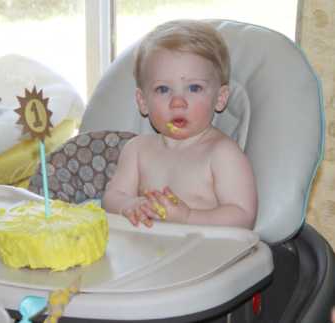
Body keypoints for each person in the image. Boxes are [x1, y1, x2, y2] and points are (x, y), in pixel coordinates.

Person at [102, 20, 257, 229]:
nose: (177, 102)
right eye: (163, 89)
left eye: (194, 88)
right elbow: (111, 197)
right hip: (146, 253)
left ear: (220, 98)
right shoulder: (137, 150)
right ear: (143, 101)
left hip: (204, 256)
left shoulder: (222, 154)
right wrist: (129, 205)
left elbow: (243, 216)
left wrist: (188, 217)